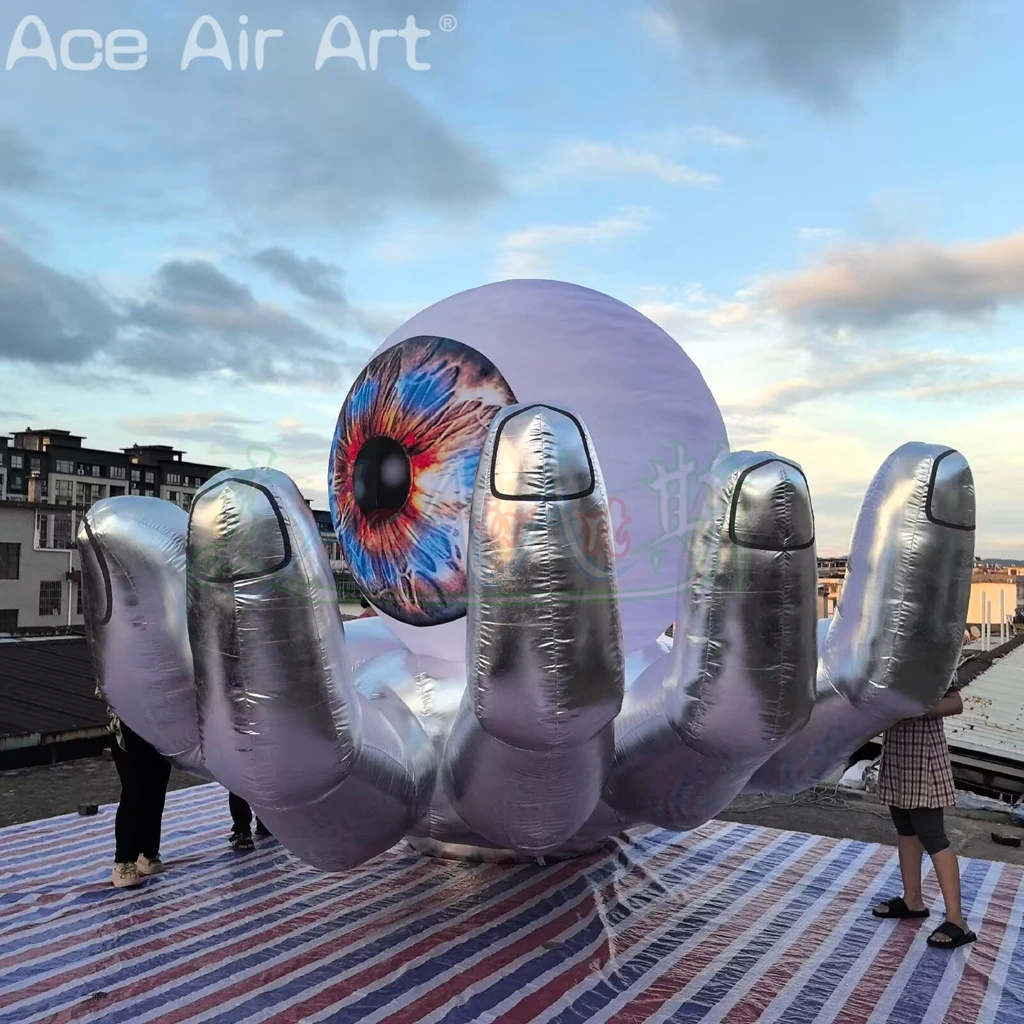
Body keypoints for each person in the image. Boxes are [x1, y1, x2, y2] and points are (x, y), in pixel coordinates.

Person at [872, 671, 976, 949]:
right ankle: (912, 900)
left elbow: (955, 703)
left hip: (923, 753)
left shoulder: (935, 654)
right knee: (905, 827)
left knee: (932, 835)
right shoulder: (888, 653)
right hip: (897, 750)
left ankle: (957, 921)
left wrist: (914, 709)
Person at [100, 690, 171, 889]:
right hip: (128, 717)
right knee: (135, 787)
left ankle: (148, 852)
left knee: (157, 786)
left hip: (161, 716)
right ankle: (124, 860)